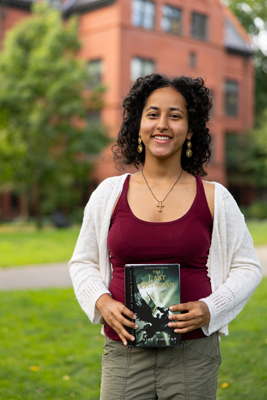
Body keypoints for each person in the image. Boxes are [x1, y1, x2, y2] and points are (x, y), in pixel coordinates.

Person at [69, 73, 262, 400]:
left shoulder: (215, 197)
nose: (163, 124)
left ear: (190, 128)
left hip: (193, 354)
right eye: (153, 114)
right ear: (138, 125)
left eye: (175, 116)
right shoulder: (109, 194)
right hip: (124, 352)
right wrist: (102, 302)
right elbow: (83, 262)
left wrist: (210, 308)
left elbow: (248, 267)